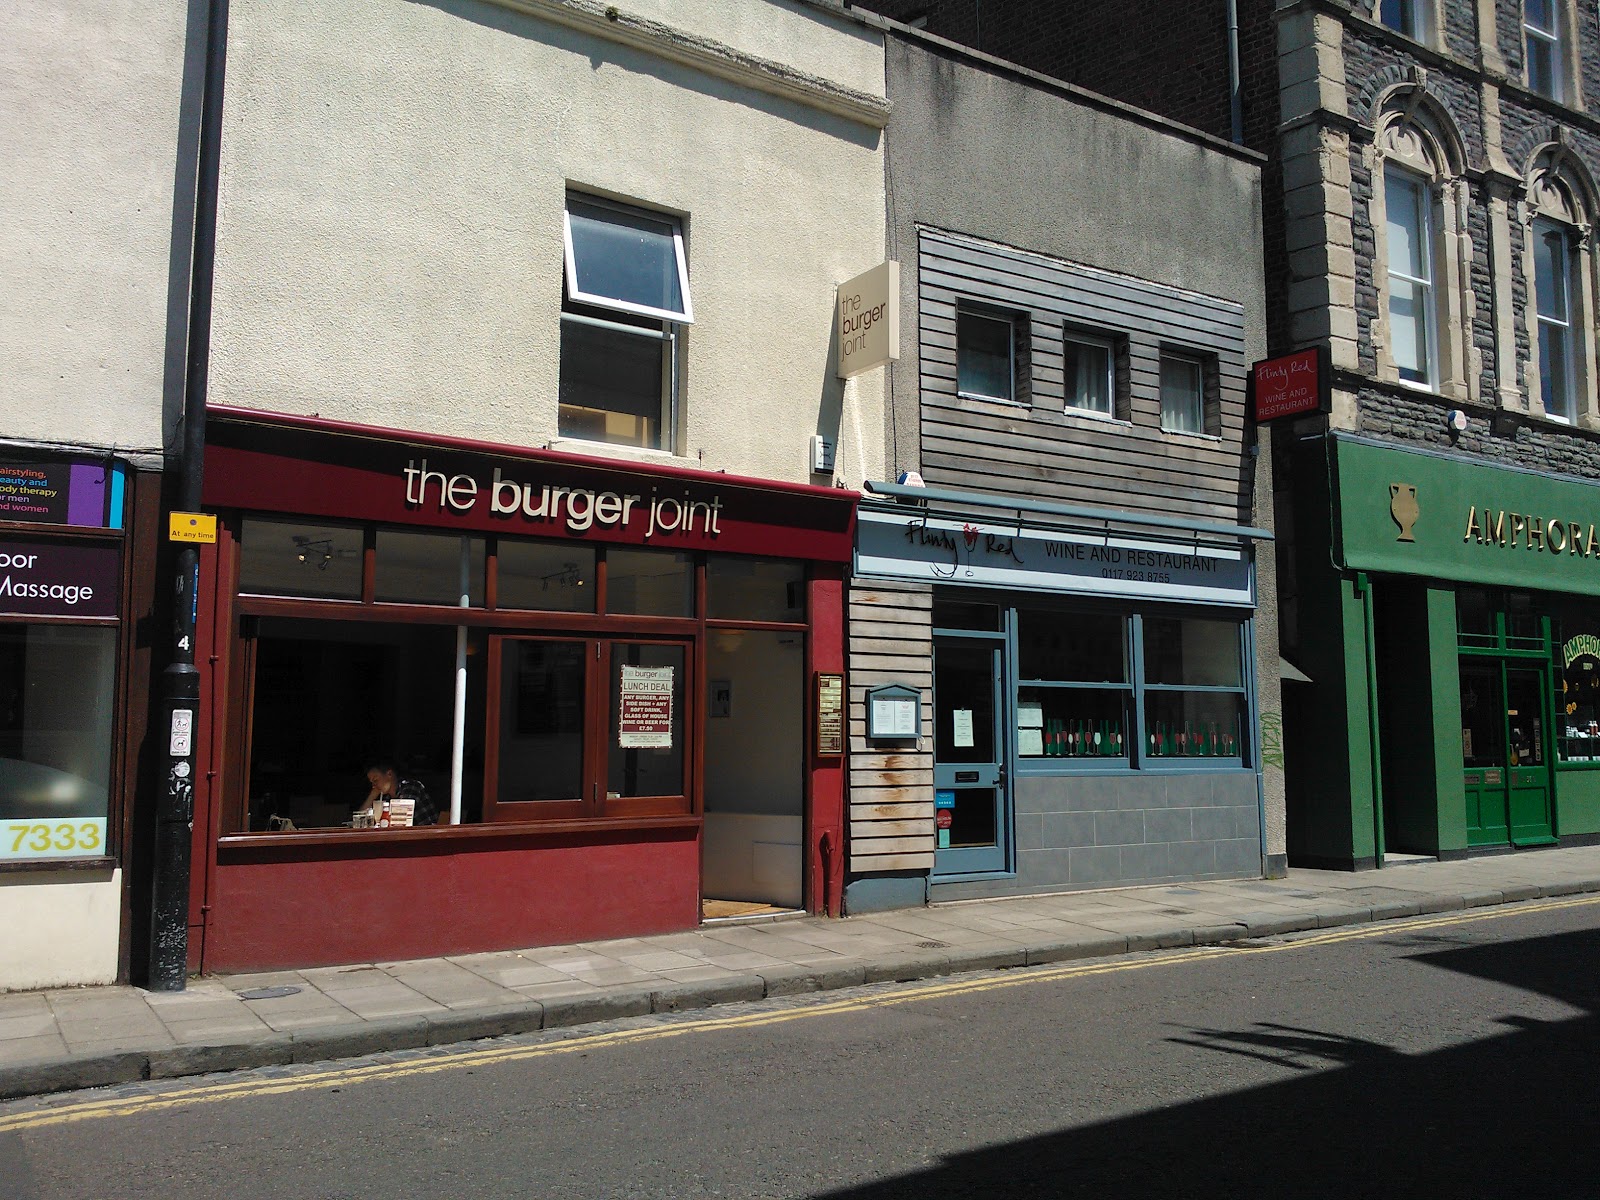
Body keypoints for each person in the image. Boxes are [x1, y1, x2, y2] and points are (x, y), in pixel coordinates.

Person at [357, 759, 439, 827]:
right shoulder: (387, 798)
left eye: (375, 780)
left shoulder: (410, 787)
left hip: (426, 838)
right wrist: (373, 795)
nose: (373, 786)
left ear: (389, 774)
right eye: (371, 782)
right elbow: (361, 820)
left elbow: (400, 819)